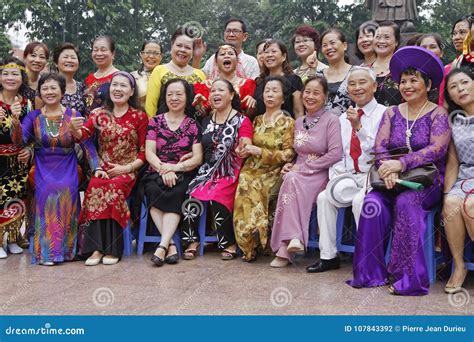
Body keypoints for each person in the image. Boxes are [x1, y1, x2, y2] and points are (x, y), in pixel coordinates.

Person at [348, 46, 450, 296]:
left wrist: (401, 164)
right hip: (390, 178)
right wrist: (388, 169)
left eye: (414, 80)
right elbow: (380, 146)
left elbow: (437, 149)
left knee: (406, 202)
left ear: (427, 85)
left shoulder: (439, 113)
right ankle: (370, 274)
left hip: (425, 181)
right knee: (372, 203)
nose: (407, 86)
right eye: (403, 81)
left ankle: (408, 279)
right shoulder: (391, 113)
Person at [306, 67, 386, 273]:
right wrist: (339, 178)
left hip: (373, 176)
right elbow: (338, 153)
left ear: (374, 86)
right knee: (324, 198)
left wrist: (358, 128)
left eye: (362, 83)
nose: (357, 88)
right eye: (352, 84)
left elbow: (378, 151)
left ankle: (366, 259)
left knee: (361, 201)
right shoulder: (342, 119)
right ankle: (328, 256)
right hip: (348, 176)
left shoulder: (385, 114)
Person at [19, 73, 99, 265]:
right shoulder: (34, 116)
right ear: (39, 92)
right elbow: (19, 139)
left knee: (66, 190)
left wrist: (97, 168)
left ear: (62, 91)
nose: (49, 92)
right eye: (45, 88)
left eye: (53, 88)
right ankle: (49, 253)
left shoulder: (74, 115)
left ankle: (69, 251)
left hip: (68, 164)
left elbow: (86, 143)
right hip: (42, 165)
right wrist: (14, 119)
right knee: (47, 191)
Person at [72, 71, 148, 266]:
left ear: (131, 91)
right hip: (103, 169)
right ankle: (95, 248)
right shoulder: (99, 114)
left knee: (113, 189)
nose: (118, 89)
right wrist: (74, 128)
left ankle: (113, 248)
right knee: (96, 185)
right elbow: (82, 136)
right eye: (115, 85)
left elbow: (143, 152)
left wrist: (126, 168)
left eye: (123, 86)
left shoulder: (139, 117)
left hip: (128, 170)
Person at [270, 75, 343, 267]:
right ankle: (292, 239)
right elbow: (297, 152)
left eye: (316, 93)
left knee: (291, 180)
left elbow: (335, 154)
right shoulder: (299, 121)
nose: (310, 96)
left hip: (321, 173)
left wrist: (303, 167)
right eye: (307, 92)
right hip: (298, 172)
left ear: (325, 97)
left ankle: (286, 247)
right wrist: (291, 164)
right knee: (290, 178)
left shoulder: (332, 121)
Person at [181, 79, 253, 260]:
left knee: (217, 197)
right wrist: (192, 156)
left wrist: (243, 148)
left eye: (221, 90)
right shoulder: (206, 120)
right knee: (191, 194)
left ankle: (228, 243)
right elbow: (199, 147)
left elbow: (246, 142)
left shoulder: (242, 120)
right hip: (206, 170)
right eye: (212, 91)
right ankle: (192, 241)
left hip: (229, 171)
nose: (215, 94)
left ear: (231, 95)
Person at [142, 79, 203, 267]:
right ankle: (170, 246)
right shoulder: (155, 121)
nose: (174, 98)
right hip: (156, 170)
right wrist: (162, 168)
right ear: (164, 97)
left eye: (179, 94)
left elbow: (197, 158)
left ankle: (162, 245)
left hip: (182, 172)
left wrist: (174, 168)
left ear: (187, 97)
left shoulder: (193, 125)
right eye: (170, 94)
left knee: (177, 191)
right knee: (152, 189)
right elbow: (149, 152)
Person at [233, 76, 295, 262]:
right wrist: (243, 150)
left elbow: (288, 154)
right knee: (245, 180)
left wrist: (260, 151)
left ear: (283, 98)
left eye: (275, 91)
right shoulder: (257, 120)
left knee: (255, 185)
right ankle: (248, 243)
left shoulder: (288, 122)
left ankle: (261, 240)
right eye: (267, 90)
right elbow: (248, 144)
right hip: (252, 167)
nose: (269, 94)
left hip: (274, 170)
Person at [442, 68, 474, 294]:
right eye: (453, 87)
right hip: (466, 178)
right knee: (451, 203)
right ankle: (459, 266)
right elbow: (453, 163)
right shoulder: (455, 122)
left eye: (464, 83)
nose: (460, 89)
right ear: (450, 96)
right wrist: (446, 193)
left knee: (471, 206)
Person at [0, 57, 32, 258]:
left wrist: (29, 149)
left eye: (15, 74)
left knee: (16, 198)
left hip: (18, 159)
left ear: (22, 78)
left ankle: (11, 238)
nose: (10, 78)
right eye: (5, 73)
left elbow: (27, 134)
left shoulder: (27, 103)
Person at [145, 28, 206, 117]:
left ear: (193, 51)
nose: (183, 50)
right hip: (163, 128)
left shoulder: (200, 75)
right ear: (172, 46)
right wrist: (152, 128)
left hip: (193, 128)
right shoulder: (159, 70)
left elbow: (204, 108)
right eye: (179, 45)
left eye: (188, 47)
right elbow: (151, 105)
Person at [193, 44, 256, 116]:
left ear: (237, 61)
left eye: (231, 54)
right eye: (222, 54)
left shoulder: (247, 84)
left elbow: (249, 116)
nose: (226, 56)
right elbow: (202, 116)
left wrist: (252, 107)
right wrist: (199, 107)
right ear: (216, 61)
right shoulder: (205, 86)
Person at [253, 39, 304, 119]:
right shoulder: (259, 81)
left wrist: (299, 130)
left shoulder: (293, 80)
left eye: (274, 51)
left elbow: (298, 111)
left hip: (287, 129)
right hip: (261, 129)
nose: (269, 55)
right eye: (266, 52)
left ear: (283, 56)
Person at [194, 18, 259, 80]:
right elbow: (197, 80)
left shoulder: (251, 62)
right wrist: (197, 58)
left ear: (244, 36)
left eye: (235, 31)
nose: (231, 34)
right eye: (228, 31)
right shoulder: (213, 59)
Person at [439, 14, 474, 105]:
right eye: (454, 33)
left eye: (462, 32)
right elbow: (447, 101)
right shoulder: (457, 63)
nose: (456, 37)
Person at [320, 28, 353, 116]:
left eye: (332, 43)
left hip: (350, 126)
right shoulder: (318, 76)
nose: (329, 48)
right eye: (324, 45)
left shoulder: (357, 73)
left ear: (344, 45)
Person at [84, 36, 119, 113]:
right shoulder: (88, 79)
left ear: (113, 54)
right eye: (95, 50)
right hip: (87, 123)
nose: (99, 53)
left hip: (110, 122)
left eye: (103, 50)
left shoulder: (119, 77)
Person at [53, 43, 87, 114]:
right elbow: (38, 118)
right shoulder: (46, 86)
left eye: (73, 57)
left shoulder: (82, 87)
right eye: (65, 57)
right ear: (56, 63)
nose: (69, 60)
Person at [131, 40, 162, 110]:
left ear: (161, 57)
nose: (151, 56)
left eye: (156, 53)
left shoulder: (166, 77)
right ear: (141, 55)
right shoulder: (132, 77)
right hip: (138, 118)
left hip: (161, 119)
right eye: (148, 52)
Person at [416, 33, 445, 105]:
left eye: (433, 47)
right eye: (423, 47)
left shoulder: (449, 74)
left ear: (441, 53)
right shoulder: (411, 76)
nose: (427, 50)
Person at [22, 41, 49, 107]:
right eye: (33, 55)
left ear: (46, 61)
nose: (37, 60)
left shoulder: (46, 83)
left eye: (42, 57)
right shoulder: (16, 80)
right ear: (25, 57)